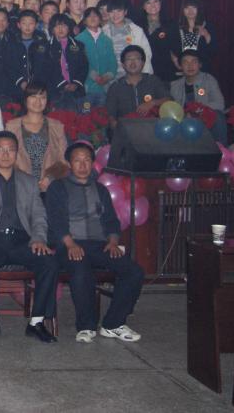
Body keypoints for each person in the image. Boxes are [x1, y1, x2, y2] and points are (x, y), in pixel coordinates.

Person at [46, 142, 144, 343]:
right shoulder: (58, 187)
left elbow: (111, 221)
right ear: (69, 164)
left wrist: (113, 242)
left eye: (87, 160)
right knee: (81, 269)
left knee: (134, 271)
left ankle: (113, 323)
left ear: (92, 163)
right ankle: (86, 326)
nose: (83, 165)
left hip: (100, 245)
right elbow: (56, 221)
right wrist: (70, 244)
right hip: (69, 244)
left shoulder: (100, 190)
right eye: (77, 160)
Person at [0, 131, 58, 343]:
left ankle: (36, 322)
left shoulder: (29, 181)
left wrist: (38, 239)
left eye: (10, 150)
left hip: (22, 240)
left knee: (49, 262)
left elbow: (39, 215)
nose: (5, 154)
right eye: (0, 149)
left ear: (17, 153)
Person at [4, 81, 69, 192]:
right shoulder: (12, 126)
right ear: (25, 99)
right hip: (21, 187)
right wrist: (26, 180)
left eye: (42, 97)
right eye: (33, 96)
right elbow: (6, 159)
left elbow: (63, 161)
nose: (38, 101)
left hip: (50, 187)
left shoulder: (57, 126)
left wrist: (49, 178)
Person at [105, 45, 171, 129]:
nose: (133, 62)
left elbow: (169, 100)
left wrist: (152, 103)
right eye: (129, 59)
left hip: (152, 130)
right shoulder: (115, 87)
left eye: (137, 59)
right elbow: (110, 114)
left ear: (143, 63)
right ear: (123, 65)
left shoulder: (153, 81)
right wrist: (114, 124)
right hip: (126, 132)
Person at [171, 50, 228, 143]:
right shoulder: (175, 86)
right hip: (185, 122)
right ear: (180, 66)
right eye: (185, 62)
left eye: (194, 61)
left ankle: (221, 149)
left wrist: (197, 111)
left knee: (218, 116)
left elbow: (219, 104)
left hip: (206, 120)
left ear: (200, 65)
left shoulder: (209, 80)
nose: (190, 66)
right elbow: (175, 110)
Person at [36, 14, 87, 110]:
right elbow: (47, 69)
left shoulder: (79, 45)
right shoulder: (46, 47)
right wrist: (63, 83)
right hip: (55, 91)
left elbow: (84, 66)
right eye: (56, 26)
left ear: (69, 28)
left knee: (81, 115)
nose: (60, 29)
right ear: (52, 29)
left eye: (64, 25)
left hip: (77, 90)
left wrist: (76, 83)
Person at [75, 7, 117, 108]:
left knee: (102, 116)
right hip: (86, 88)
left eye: (95, 15)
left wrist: (107, 77)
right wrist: (94, 76)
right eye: (89, 16)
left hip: (105, 88)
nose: (93, 18)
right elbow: (78, 64)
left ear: (100, 19)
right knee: (85, 115)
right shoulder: (78, 40)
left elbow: (113, 63)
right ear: (84, 21)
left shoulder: (107, 40)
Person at [103, 0, 153, 77]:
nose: (115, 15)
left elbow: (146, 54)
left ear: (125, 12)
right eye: (112, 12)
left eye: (119, 11)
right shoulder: (103, 32)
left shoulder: (136, 30)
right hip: (111, 77)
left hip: (134, 76)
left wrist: (145, 75)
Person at [171, 0, 215, 71]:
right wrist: (174, 60)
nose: (190, 11)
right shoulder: (175, 27)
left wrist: (206, 35)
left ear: (198, 9)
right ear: (183, 10)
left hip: (202, 70)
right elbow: (169, 47)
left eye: (193, 7)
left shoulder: (208, 26)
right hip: (180, 69)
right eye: (187, 8)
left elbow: (213, 50)